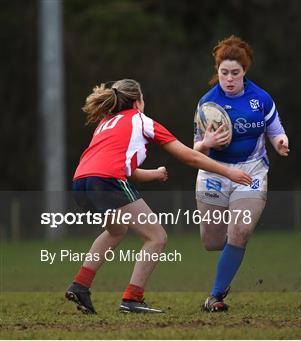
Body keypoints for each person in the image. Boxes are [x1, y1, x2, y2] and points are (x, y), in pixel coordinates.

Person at [65, 79, 252, 314]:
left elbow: (126, 169)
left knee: (116, 230)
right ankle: (132, 299)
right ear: (138, 102)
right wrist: (229, 171)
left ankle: (80, 285)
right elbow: (190, 157)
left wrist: (154, 174)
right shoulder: (142, 121)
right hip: (107, 181)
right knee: (157, 236)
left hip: (81, 182)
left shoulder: (106, 123)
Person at [193, 35, 289, 312]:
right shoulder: (207, 104)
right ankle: (232, 252)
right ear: (217, 71)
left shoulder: (261, 99)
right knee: (212, 241)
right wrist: (206, 144)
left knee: (240, 230)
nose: (229, 78)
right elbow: (194, 150)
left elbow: (276, 131)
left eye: (235, 73)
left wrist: (281, 142)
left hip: (252, 170)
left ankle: (216, 295)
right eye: (224, 73)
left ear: (245, 71)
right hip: (215, 172)